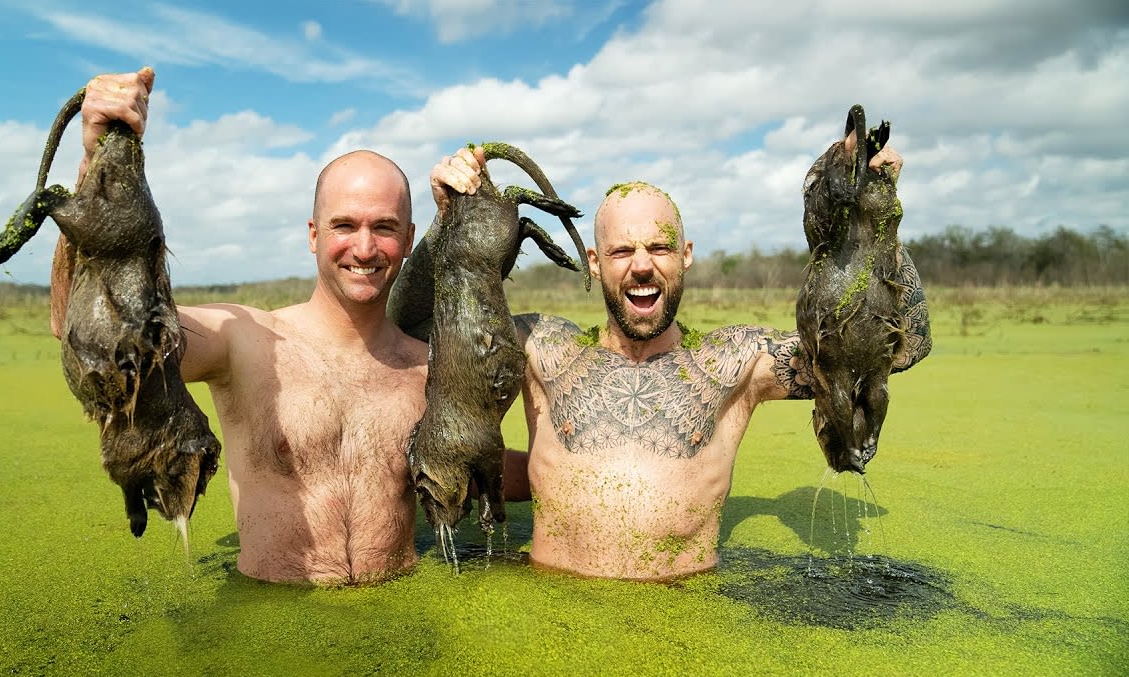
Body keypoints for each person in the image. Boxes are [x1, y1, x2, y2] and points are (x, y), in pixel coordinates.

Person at [424, 138, 931, 581]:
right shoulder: (537, 346)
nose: (642, 265)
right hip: (554, 616)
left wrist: (876, 221)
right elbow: (417, 329)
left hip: (687, 612)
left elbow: (904, 346)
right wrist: (446, 230)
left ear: (684, 254)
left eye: (659, 248)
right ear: (595, 263)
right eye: (622, 251)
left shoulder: (735, 362)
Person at [50, 68, 430, 585]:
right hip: (272, 627)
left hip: (400, 628)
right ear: (313, 235)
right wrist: (97, 163)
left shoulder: (428, 366)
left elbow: (491, 466)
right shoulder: (246, 340)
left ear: (408, 239)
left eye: (384, 227)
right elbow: (87, 330)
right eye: (344, 225)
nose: (364, 248)